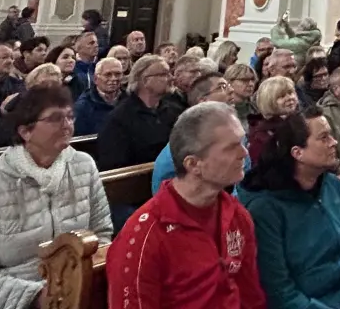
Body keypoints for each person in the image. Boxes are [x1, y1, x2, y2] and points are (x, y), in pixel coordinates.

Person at [0, 87, 113, 309]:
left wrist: (82, 281)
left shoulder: (83, 166)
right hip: (15, 299)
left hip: (74, 291)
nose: (67, 125)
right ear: (26, 132)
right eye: (56, 118)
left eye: (70, 116)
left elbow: (101, 234)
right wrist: (37, 296)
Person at [109, 102, 266, 309]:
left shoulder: (237, 216)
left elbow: (251, 299)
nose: (244, 153)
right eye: (231, 147)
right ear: (193, 164)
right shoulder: (144, 234)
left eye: (242, 142)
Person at [240, 108, 340, 307]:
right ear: (298, 153)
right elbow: (281, 291)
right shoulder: (265, 209)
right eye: (324, 137)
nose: (334, 142)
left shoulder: (334, 186)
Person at [151, 72, 242, 189]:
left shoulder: (226, 135)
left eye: (229, 86)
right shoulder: (186, 145)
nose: (231, 90)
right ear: (203, 102)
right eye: (222, 87)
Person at [98, 54, 175, 171]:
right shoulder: (119, 119)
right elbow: (114, 167)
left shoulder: (173, 111)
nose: (171, 78)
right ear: (145, 80)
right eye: (164, 74)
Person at [247, 75, 299, 166]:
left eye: (291, 93)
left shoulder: (299, 123)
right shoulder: (260, 135)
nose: (290, 98)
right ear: (268, 100)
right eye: (282, 96)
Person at [75, 57, 126, 136]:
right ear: (95, 79)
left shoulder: (130, 100)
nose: (113, 78)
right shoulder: (83, 107)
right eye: (108, 74)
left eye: (118, 74)